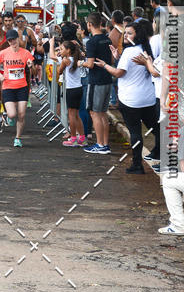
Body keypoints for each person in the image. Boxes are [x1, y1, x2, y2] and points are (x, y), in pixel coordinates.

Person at [95, 20, 159, 173]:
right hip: (148, 98)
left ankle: (137, 165)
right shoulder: (146, 49)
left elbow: (119, 73)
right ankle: (162, 156)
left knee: (135, 132)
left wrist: (105, 65)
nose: (125, 36)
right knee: (156, 128)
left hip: (130, 100)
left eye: (130, 33)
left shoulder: (130, 51)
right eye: (125, 32)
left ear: (137, 35)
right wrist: (118, 58)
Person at [0, 29, 34, 147]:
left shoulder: (25, 53)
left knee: (21, 114)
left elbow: (32, 67)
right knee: (11, 114)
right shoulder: (4, 53)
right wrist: (0, 75)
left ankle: (18, 138)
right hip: (8, 87)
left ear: (18, 39)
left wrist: (31, 65)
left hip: (22, 87)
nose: (12, 42)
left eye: (14, 39)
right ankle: (8, 118)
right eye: (9, 40)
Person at [82, 12, 113, 155]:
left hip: (96, 81)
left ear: (89, 24)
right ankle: (105, 144)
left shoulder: (91, 42)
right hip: (107, 79)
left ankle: (100, 144)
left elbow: (89, 64)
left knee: (95, 113)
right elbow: (111, 60)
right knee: (102, 113)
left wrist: (80, 62)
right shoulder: (107, 40)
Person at [55, 40, 86, 146]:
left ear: (68, 50)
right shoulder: (76, 58)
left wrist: (61, 57)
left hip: (71, 89)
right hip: (78, 88)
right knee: (76, 115)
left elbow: (59, 71)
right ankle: (81, 137)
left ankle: (73, 138)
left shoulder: (66, 60)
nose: (60, 51)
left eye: (62, 49)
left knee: (71, 115)